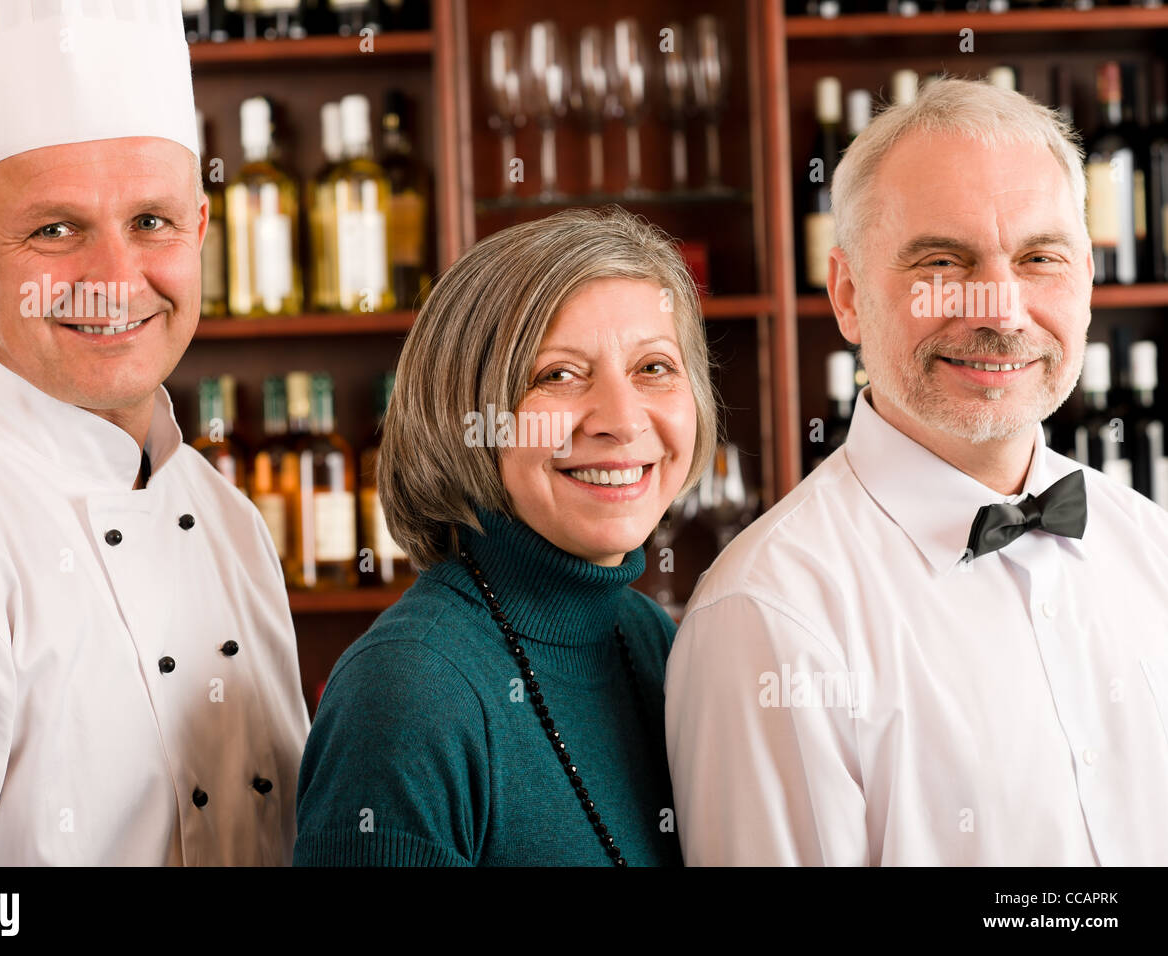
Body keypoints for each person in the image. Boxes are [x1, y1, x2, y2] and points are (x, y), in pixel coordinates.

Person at [666, 77, 1168, 866]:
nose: (1000, 312)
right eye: (943, 261)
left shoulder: (1153, 545)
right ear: (848, 296)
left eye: (1040, 257)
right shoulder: (769, 618)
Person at [0, 0, 309, 865]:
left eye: (152, 221)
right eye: (55, 229)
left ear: (201, 235)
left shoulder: (231, 523)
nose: (114, 280)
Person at [293, 207, 719, 865]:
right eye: (558, 374)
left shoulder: (650, 639)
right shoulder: (407, 694)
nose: (621, 420)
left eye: (653, 368)